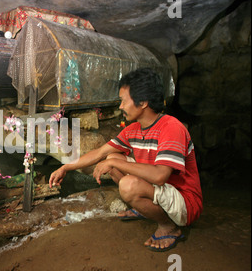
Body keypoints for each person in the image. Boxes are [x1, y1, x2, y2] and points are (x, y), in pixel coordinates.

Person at [49, 68, 203, 252]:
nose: (120, 106)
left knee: (126, 182)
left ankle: (169, 226)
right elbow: (99, 152)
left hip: (185, 202)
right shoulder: (134, 129)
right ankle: (146, 208)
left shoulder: (171, 127)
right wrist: (65, 167)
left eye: (123, 100)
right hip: (161, 191)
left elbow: (160, 176)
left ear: (143, 102)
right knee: (112, 156)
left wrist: (114, 163)